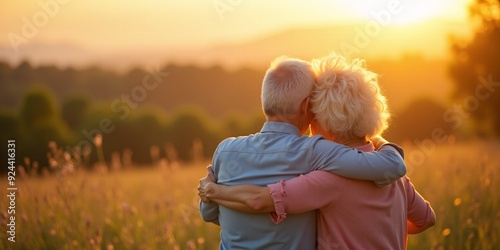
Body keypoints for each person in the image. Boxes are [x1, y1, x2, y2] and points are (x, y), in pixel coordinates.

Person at [199, 53, 436, 249]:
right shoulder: (397, 179)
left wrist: (214, 191)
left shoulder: (325, 178)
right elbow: (427, 219)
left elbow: (216, 212)